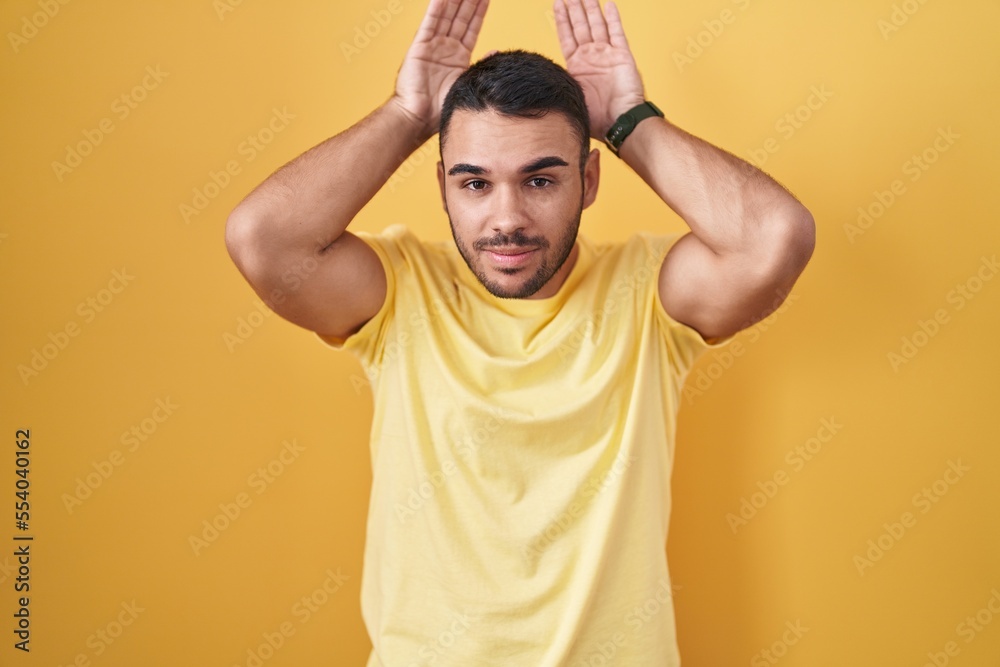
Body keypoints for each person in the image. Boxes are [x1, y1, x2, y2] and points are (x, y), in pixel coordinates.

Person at [224, 0, 815, 663]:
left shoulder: (646, 295)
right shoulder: (401, 293)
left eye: (539, 179)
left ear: (588, 180)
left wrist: (627, 119)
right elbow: (262, 238)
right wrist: (409, 114)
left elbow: (775, 238)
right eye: (475, 183)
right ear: (443, 187)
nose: (507, 218)